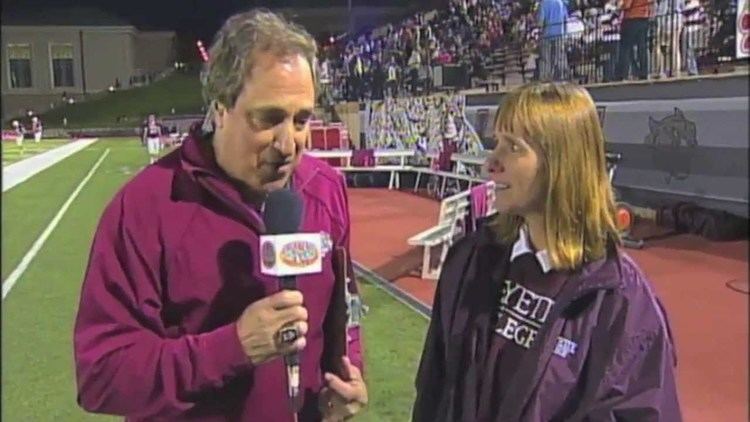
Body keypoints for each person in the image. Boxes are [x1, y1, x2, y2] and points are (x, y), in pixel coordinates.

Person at [73, 9, 368, 422]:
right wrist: (232, 348)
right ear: (221, 107)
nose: (290, 143)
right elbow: (101, 375)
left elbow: (344, 310)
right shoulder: (143, 208)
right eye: (269, 119)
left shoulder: (325, 189)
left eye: (302, 119)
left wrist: (349, 373)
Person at [413, 82, 682, 421]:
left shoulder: (621, 305)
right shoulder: (469, 260)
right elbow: (433, 390)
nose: (490, 164)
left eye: (513, 147)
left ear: (561, 164)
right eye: (497, 143)